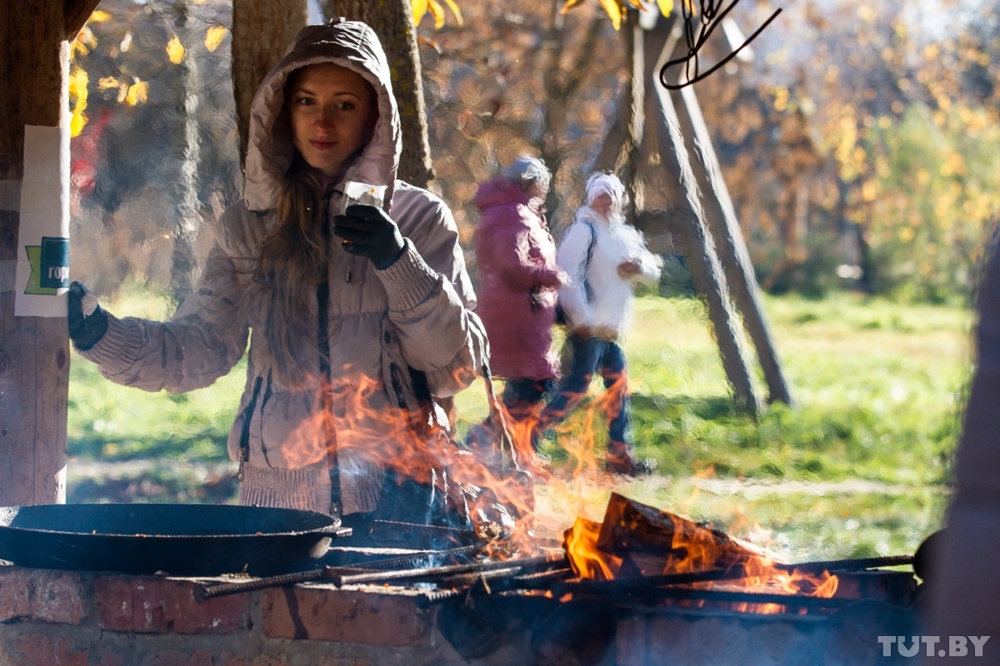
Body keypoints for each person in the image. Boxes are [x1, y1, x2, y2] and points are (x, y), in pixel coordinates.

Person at [67, 19, 487, 526]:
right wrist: (100, 334)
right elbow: (200, 346)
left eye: (345, 105)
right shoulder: (249, 225)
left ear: (376, 117)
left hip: (397, 500)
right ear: (283, 111)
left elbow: (456, 367)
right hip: (278, 508)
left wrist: (399, 262)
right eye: (306, 101)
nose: (322, 123)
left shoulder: (420, 218)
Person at [534, 172, 662, 475]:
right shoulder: (583, 231)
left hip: (611, 331)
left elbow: (654, 269)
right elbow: (567, 276)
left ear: (618, 201)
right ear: (591, 199)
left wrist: (639, 267)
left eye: (610, 197)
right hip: (588, 330)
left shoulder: (624, 234)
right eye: (600, 197)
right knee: (575, 389)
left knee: (618, 390)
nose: (605, 203)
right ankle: (529, 437)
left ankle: (620, 457)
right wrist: (582, 318)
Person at [467, 156, 564, 454]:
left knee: (527, 387)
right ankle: (482, 446)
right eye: (543, 182)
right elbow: (511, 264)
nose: (546, 188)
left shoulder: (513, 211)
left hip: (522, 311)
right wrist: (553, 276)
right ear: (531, 182)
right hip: (517, 314)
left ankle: (512, 451)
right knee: (534, 385)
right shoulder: (513, 214)